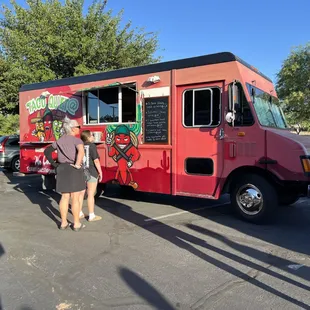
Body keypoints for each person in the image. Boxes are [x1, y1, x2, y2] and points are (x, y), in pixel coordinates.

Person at [44, 117, 86, 232]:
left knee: (64, 197)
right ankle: (76, 224)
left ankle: (63, 223)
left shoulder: (59, 141)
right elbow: (81, 152)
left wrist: (54, 164)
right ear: (72, 129)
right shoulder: (77, 140)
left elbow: (47, 151)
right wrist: (77, 164)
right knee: (75, 197)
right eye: (78, 127)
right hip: (73, 169)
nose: (79, 129)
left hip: (62, 168)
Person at [78, 130, 103, 222]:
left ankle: (79, 212)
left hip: (81, 171)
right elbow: (96, 161)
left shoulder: (79, 146)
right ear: (88, 137)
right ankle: (91, 215)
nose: (93, 137)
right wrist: (100, 172)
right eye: (92, 135)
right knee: (91, 194)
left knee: (81, 193)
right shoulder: (92, 146)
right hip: (91, 172)